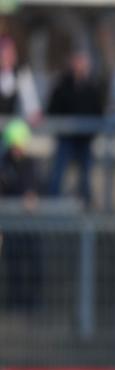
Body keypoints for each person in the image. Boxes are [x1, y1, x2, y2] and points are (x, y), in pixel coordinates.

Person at [46, 50, 105, 203]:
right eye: (78, 63)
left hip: (84, 139)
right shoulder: (62, 86)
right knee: (58, 172)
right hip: (66, 138)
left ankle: (87, 203)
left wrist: (91, 133)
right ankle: (52, 202)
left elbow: (98, 112)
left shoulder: (92, 87)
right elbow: (52, 109)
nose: (80, 67)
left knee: (85, 174)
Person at [0, 119, 42, 310]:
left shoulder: (30, 163)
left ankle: (34, 301)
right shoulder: (4, 164)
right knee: (14, 263)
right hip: (11, 224)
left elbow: (35, 188)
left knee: (34, 261)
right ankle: (15, 301)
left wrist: (31, 195)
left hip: (30, 224)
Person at [0, 36, 41, 123]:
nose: (8, 56)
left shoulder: (22, 73)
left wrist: (33, 113)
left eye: (11, 52)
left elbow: (31, 103)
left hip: (15, 124)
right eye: (5, 53)